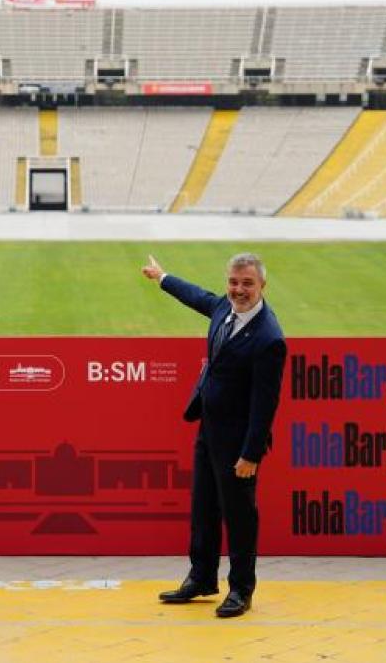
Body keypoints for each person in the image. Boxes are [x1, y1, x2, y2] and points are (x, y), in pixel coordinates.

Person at [141, 252, 286, 618]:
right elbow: (198, 297)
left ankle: (241, 589)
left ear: (262, 285)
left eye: (247, 283)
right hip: (209, 427)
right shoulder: (224, 307)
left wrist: (251, 454)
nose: (239, 290)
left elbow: (265, 404)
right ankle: (202, 577)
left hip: (238, 442)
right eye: (234, 282)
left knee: (239, 516)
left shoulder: (269, 338)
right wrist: (163, 277)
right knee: (203, 507)